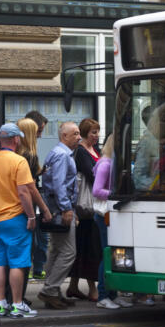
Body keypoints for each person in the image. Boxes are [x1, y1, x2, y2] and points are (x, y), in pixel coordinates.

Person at [0, 123, 41, 318]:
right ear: (16, 139)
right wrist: (31, 216)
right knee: (17, 262)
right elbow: (24, 192)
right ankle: (17, 304)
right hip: (16, 218)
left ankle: (1, 303)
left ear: (1, 139)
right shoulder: (19, 161)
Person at [37, 121, 80, 310]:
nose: (79, 137)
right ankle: (50, 289)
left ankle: (52, 291)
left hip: (55, 207)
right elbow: (59, 184)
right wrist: (67, 209)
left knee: (56, 250)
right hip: (61, 208)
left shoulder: (57, 152)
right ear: (65, 136)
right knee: (69, 252)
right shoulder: (63, 155)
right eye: (76, 134)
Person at [92, 134, 132, 310]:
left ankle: (113, 294)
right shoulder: (106, 164)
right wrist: (115, 194)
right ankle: (103, 295)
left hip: (111, 213)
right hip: (104, 214)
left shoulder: (111, 164)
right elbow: (97, 190)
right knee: (107, 254)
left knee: (115, 254)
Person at [67, 118, 102, 302]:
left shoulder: (95, 149)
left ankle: (73, 286)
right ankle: (92, 289)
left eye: (98, 132)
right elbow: (92, 174)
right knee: (89, 248)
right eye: (93, 132)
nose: (96, 136)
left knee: (82, 247)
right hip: (87, 208)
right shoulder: (81, 152)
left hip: (94, 206)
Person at [17, 117, 48, 282]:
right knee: (29, 243)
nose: (38, 136)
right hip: (26, 206)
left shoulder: (14, 154)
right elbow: (30, 187)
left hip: (11, 206)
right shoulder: (30, 156)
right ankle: (19, 294)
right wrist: (44, 209)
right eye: (37, 132)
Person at [133, 104, 165, 190]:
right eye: (164, 120)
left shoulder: (158, 142)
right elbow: (138, 178)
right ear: (152, 122)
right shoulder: (147, 142)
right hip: (152, 198)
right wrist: (156, 186)